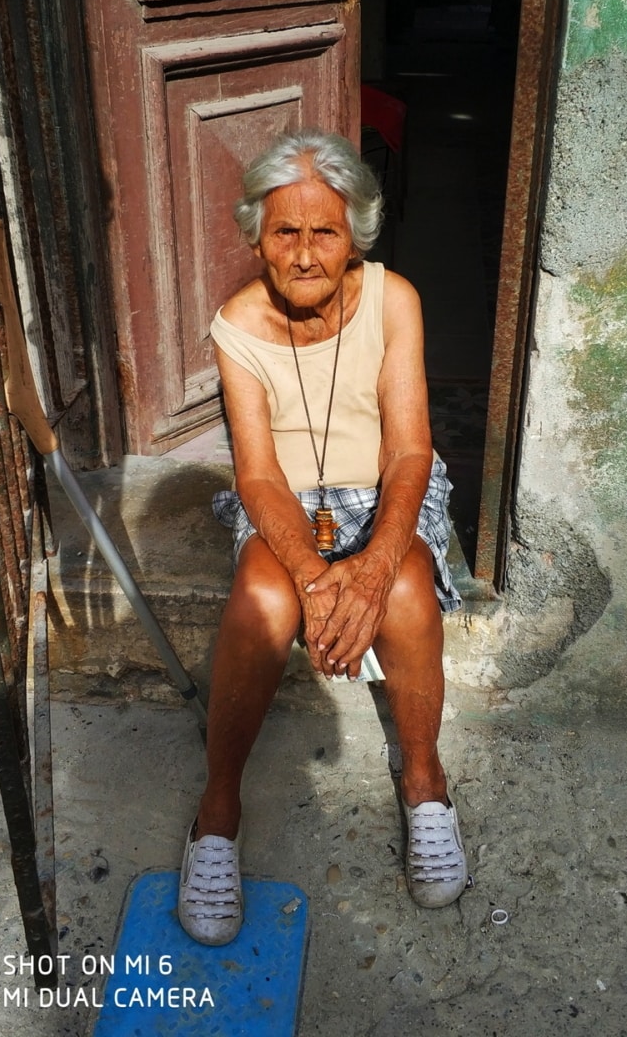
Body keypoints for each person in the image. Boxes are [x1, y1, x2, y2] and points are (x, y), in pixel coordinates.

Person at [178, 129, 467, 946]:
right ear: (256, 237)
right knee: (263, 599)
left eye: (325, 232)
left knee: (404, 587)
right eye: (284, 232)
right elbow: (259, 476)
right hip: (286, 501)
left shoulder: (393, 300)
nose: (304, 254)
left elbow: (409, 450)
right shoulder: (237, 325)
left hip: (384, 488)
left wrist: (370, 571)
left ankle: (425, 781)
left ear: (355, 237)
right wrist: (313, 578)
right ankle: (218, 809)